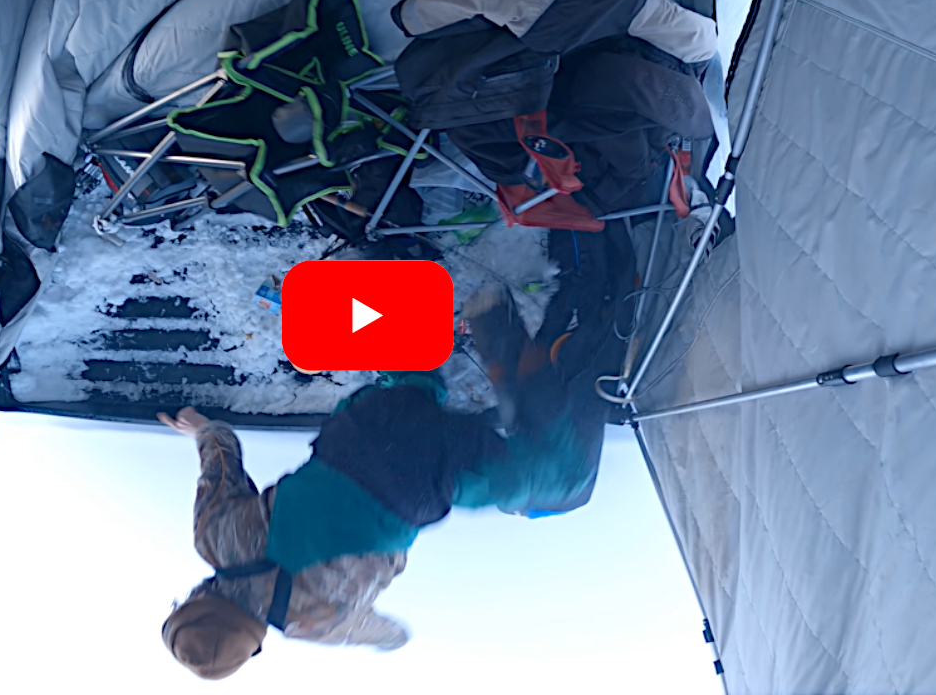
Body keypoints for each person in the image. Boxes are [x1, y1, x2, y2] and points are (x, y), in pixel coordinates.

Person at [159, 287, 606, 680]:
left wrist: (387, 639)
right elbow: (221, 456)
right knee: (414, 383)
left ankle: (508, 341)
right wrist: (199, 427)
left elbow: (388, 634)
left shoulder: (314, 623)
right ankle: (397, 289)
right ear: (195, 600)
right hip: (359, 430)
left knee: (562, 481)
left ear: (254, 642)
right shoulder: (214, 540)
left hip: (424, 477)